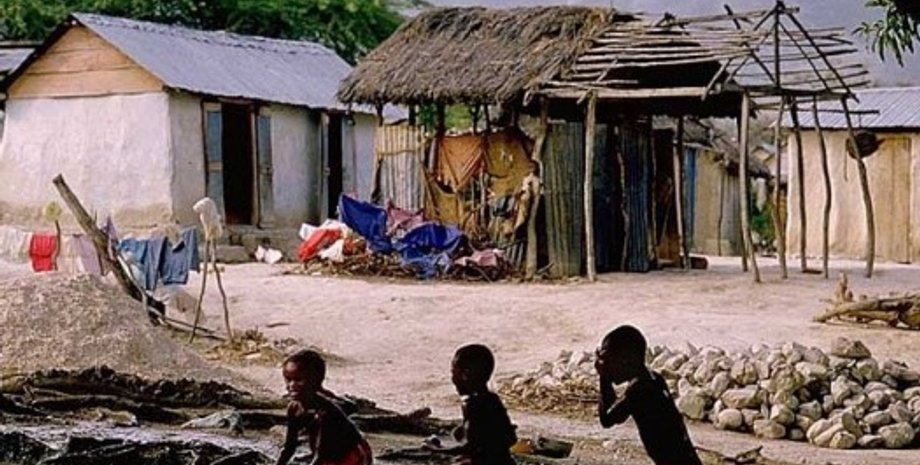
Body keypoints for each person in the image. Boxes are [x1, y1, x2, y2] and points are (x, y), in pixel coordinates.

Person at [595, 326, 702, 465]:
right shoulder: (653, 379)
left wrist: (604, 377)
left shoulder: (639, 389)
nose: (607, 367)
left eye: (610, 362)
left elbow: (607, 419)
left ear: (626, 360)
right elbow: (616, 416)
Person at [423, 344, 517, 465]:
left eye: (453, 373)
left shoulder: (472, 403)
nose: (452, 379)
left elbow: (470, 446)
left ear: (465, 375)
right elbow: (510, 437)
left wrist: (436, 449)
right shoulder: (492, 399)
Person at [276, 349, 372, 465]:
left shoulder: (324, 413)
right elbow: (289, 447)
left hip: (353, 454)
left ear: (315, 381)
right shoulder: (294, 408)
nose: (291, 385)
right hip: (328, 452)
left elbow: (320, 455)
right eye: (288, 379)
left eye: (298, 380)